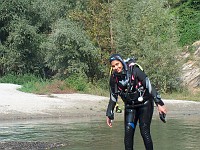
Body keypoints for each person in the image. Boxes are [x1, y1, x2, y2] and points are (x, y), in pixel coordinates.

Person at [106, 54, 167, 150]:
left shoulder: (135, 70)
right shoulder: (114, 78)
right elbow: (113, 96)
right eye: (113, 66)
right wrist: (109, 113)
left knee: (144, 131)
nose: (116, 68)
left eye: (117, 64)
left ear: (121, 62)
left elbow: (149, 86)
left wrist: (159, 103)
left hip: (145, 104)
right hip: (130, 107)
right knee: (128, 132)